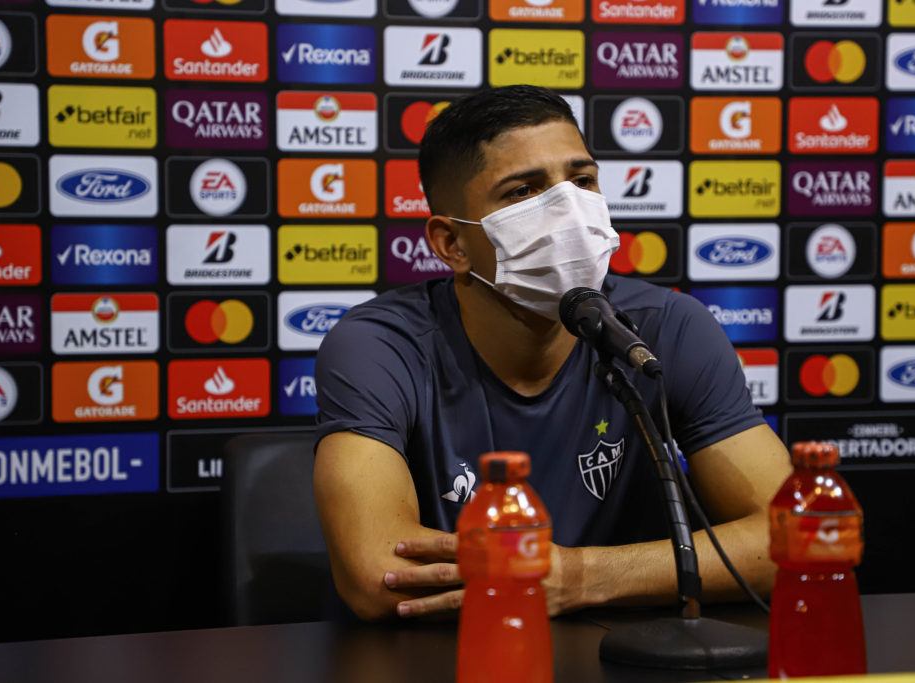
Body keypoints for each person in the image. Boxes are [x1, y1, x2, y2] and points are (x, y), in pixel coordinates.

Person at [313, 85, 792, 621]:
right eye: (523, 192)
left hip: (630, 653)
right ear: (452, 244)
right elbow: (378, 576)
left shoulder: (663, 329)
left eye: (582, 180)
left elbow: (796, 538)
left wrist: (579, 577)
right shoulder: (380, 345)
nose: (567, 209)